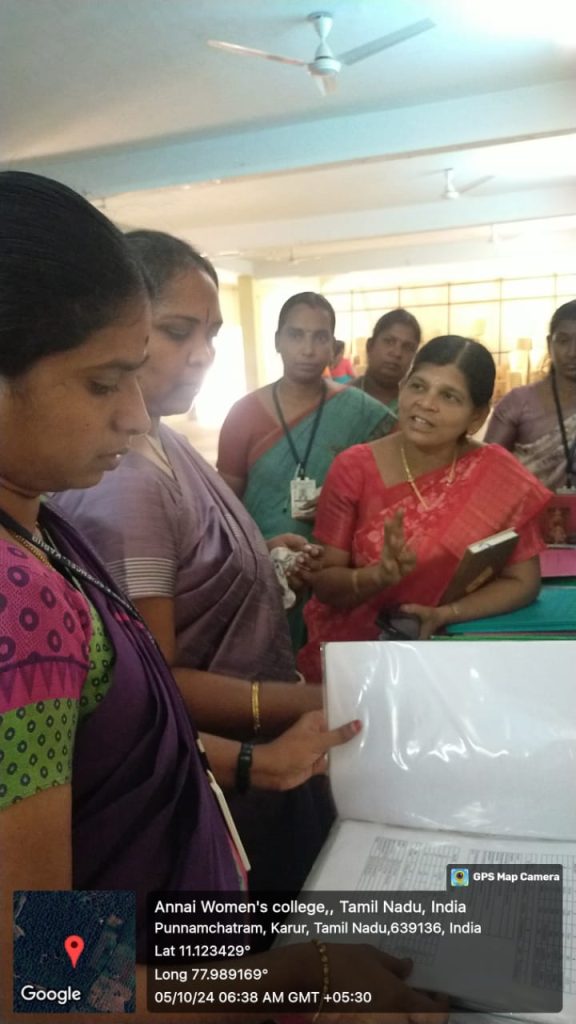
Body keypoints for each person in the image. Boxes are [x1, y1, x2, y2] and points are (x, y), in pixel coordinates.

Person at [0, 172, 451, 1024]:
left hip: (181, 921)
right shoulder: (17, 603)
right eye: (102, 383)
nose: (136, 417)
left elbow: (109, 742)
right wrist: (301, 976)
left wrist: (248, 763)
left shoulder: (39, 529)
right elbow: (45, 979)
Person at [56, 229, 333, 894]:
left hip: (152, 860)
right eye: (102, 380)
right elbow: (45, 947)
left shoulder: (35, 545)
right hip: (155, 856)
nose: (130, 415)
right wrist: (253, 762)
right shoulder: (29, 592)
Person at [298, 336, 551, 681]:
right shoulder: (353, 468)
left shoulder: (497, 475)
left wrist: (445, 614)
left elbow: (523, 581)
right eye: (418, 386)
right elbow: (325, 586)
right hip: (358, 660)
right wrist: (377, 576)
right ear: (403, 387)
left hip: (457, 660)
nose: (426, 403)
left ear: (477, 417)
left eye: (449, 396)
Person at [485, 300, 576, 489]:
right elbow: (486, 469)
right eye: (563, 341)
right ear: (549, 344)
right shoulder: (518, 403)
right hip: (524, 506)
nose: (572, 352)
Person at [351, 308, 421, 413]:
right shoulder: (339, 398)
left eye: (407, 347)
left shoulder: (414, 409)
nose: (397, 353)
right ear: (370, 346)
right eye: (389, 342)